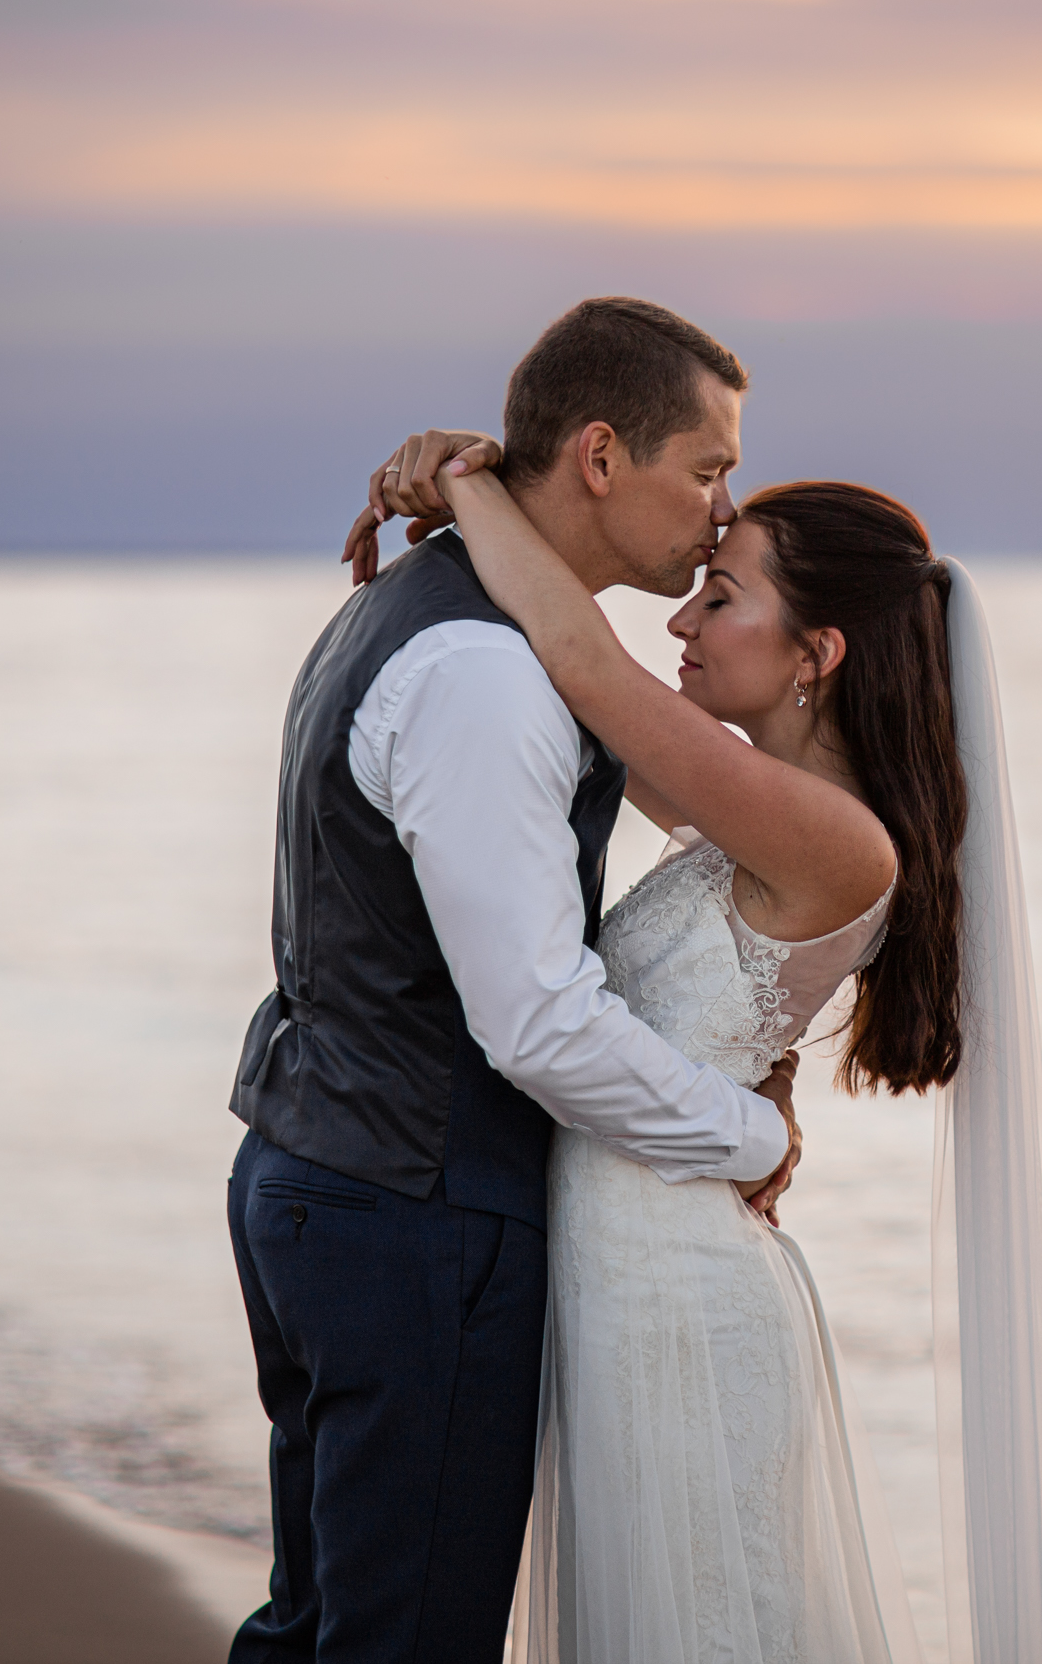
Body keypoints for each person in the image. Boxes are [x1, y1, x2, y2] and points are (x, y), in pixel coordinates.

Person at [352, 416, 1042, 1660]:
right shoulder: (749, 810)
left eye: (720, 594)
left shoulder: (837, 837)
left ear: (816, 651)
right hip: (626, 1287)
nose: (682, 622)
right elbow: (578, 679)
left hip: (680, 1309)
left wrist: (468, 487)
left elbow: (587, 666)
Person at [223, 298, 803, 1664]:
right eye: (707, 468)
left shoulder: (437, 608)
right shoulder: (484, 671)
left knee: (316, 1625)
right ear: (601, 455)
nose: (723, 513)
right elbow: (537, 1018)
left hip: (328, 1172)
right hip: (414, 1213)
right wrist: (753, 1134)